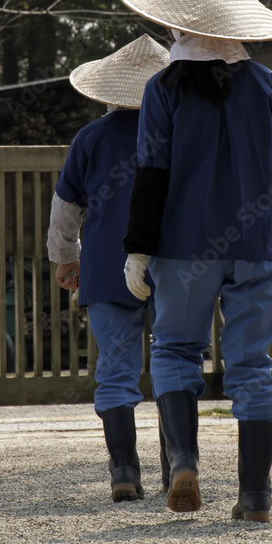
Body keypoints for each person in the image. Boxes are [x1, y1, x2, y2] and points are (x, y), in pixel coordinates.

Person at [119, 0, 272, 521]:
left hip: (182, 249)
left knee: (176, 351)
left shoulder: (163, 89)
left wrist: (137, 247)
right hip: (257, 244)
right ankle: (255, 493)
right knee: (253, 366)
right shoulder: (266, 84)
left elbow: (151, 172)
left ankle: (184, 461)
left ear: (178, 26)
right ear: (233, 27)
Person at [46, 33, 171, 503]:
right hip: (172, 265)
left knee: (115, 369)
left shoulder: (90, 138)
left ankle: (123, 470)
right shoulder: (174, 133)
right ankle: (177, 466)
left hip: (103, 265)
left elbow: (65, 210)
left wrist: (65, 259)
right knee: (172, 364)